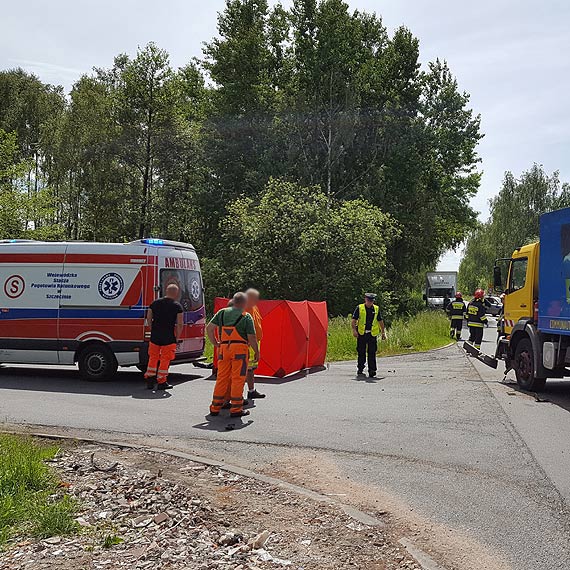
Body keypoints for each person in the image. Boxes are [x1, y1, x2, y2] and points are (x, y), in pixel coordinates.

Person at [207, 292, 259, 418]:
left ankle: (215, 407)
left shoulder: (222, 313)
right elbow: (251, 337)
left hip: (224, 349)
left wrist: (216, 343)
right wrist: (256, 351)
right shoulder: (246, 317)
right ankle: (236, 409)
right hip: (240, 350)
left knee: (222, 378)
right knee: (238, 379)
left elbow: (209, 328)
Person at [144, 283, 184, 390]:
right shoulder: (177, 306)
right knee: (165, 359)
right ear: (176, 293)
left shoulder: (154, 303)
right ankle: (162, 381)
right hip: (169, 336)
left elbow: (148, 318)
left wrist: (153, 329)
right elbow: (180, 324)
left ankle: (150, 379)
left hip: (155, 335)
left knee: (153, 357)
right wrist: (177, 337)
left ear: (166, 291)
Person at [351, 293, 386, 378]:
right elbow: (353, 320)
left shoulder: (376, 309)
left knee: (372, 352)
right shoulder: (359, 308)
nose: (370, 302)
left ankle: (372, 370)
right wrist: (354, 330)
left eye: (371, 301)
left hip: (372, 334)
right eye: (368, 300)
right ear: (365, 299)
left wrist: (383, 333)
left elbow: (380, 321)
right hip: (362, 334)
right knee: (361, 352)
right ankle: (360, 367)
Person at [245, 288, 265, 400]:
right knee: (246, 368)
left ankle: (251, 390)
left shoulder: (254, 307)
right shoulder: (245, 307)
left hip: (254, 341)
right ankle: (237, 394)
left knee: (250, 368)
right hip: (249, 342)